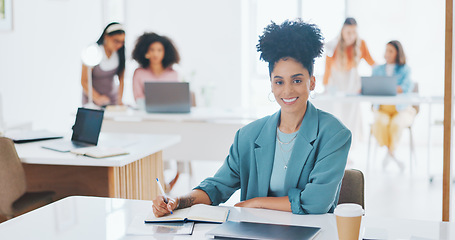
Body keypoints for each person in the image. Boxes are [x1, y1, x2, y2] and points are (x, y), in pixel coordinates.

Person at [152, 19, 352, 217]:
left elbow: (316, 203)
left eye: (297, 80)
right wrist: (178, 201)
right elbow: (217, 187)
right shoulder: (248, 135)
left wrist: (258, 203)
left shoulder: (334, 134)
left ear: (313, 82)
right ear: (272, 85)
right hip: (255, 233)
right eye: (279, 81)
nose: (288, 90)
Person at [322, 18, 375, 147]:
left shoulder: (361, 44)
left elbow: (372, 63)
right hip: (337, 87)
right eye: (348, 32)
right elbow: (327, 69)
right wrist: (325, 87)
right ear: (342, 32)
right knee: (338, 118)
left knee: (351, 120)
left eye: (354, 32)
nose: (351, 36)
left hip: (353, 88)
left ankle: (349, 149)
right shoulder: (332, 45)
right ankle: (337, 148)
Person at [371, 40, 415, 170]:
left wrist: (388, 87)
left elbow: (406, 87)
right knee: (380, 123)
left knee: (396, 124)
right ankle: (392, 154)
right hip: (382, 108)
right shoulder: (377, 69)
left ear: (397, 53)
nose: (387, 54)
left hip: (402, 108)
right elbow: (373, 86)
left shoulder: (406, 69)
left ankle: (389, 154)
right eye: (386, 50)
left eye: (391, 51)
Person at [81, 22, 125, 106]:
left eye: (122, 42)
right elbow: (84, 81)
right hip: (92, 100)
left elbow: (121, 79)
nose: (119, 45)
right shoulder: (93, 52)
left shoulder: (119, 55)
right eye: (116, 41)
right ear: (106, 36)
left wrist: (119, 100)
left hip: (112, 100)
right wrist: (97, 98)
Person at [132, 32, 180, 101]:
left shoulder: (173, 74)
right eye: (152, 50)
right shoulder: (139, 73)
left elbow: (176, 97)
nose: (155, 54)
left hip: (169, 110)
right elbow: (138, 98)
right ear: (146, 52)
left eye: (159, 50)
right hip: (145, 111)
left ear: (165, 53)